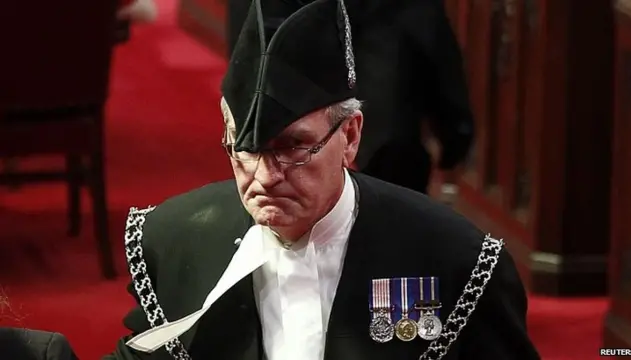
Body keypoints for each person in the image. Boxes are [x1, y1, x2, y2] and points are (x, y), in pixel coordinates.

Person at [106, 0, 539, 359]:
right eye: (244, 148)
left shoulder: (456, 261)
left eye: (293, 147)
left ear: (349, 136)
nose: (264, 176)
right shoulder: (174, 240)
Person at [227, 0, 474, 194]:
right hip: (383, 148)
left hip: (294, 139)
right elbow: (429, 38)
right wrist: (455, 139)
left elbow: (251, 32)